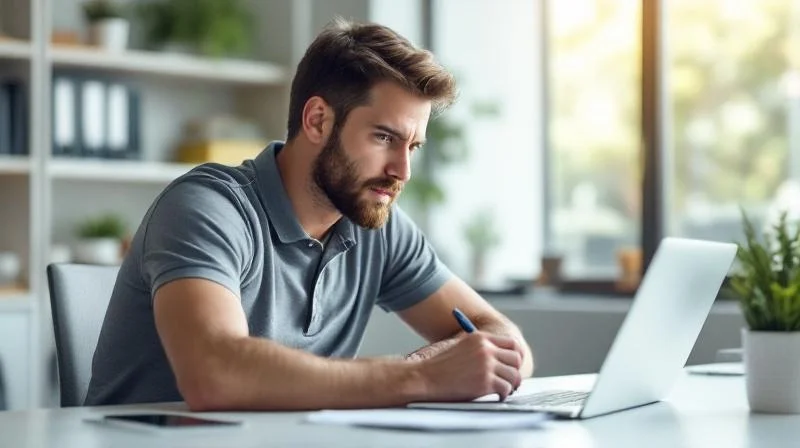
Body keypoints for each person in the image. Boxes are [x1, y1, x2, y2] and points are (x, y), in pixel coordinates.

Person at [86, 18, 534, 411]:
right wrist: (423, 377)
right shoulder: (208, 208)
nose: (402, 171)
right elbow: (214, 375)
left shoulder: (375, 221)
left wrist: (433, 365)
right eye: (383, 138)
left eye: (412, 146)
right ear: (318, 120)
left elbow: (507, 342)